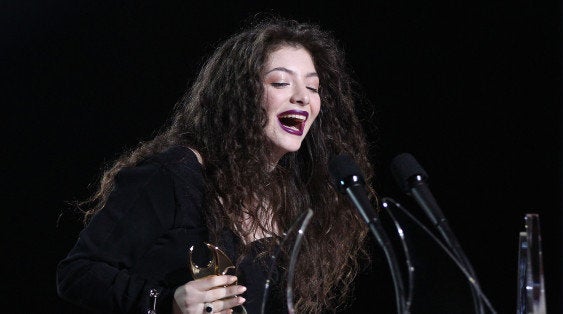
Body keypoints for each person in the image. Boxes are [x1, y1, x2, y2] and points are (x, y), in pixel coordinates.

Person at [56, 15, 377, 314]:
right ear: (240, 93)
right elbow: (78, 273)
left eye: (312, 87)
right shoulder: (173, 175)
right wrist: (167, 302)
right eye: (281, 82)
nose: (302, 97)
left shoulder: (295, 195)